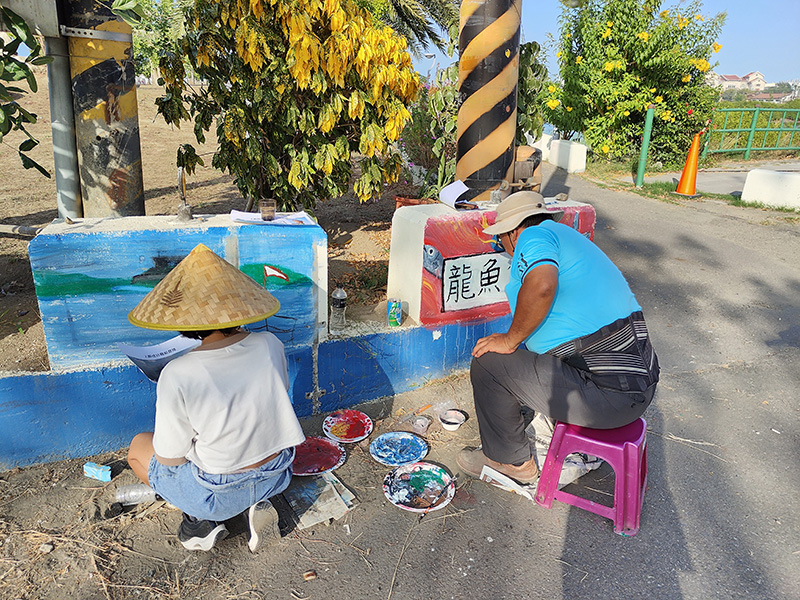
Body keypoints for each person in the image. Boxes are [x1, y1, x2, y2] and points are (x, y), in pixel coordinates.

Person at [457, 191, 659, 484]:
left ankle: (509, 462)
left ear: (513, 231)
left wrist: (510, 339)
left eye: (499, 238)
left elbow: (541, 285)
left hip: (608, 398)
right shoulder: (564, 236)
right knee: (520, 359)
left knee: (489, 362)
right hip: (638, 388)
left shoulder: (533, 236)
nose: (501, 245)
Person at [126, 244, 306, 552]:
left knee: (138, 448)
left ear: (182, 320)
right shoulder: (269, 343)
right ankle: (258, 501)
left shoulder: (178, 372)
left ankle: (199, 522)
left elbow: (171, 458)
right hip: (279, 472)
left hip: (217, 493)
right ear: (239, 307)